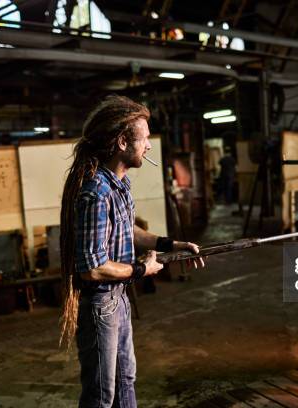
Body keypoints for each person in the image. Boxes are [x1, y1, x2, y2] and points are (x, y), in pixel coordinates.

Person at [59, 95, 204, 408]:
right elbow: (92, 268)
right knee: (101, 395)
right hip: (101, 305)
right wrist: (142, 270)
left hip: (118, 299)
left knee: (126, 382)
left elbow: (129, 230)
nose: (149, 145)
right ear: (123, 142)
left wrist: (172, 244)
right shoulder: (96, 192)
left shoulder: (119, 185)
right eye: (145, 138)